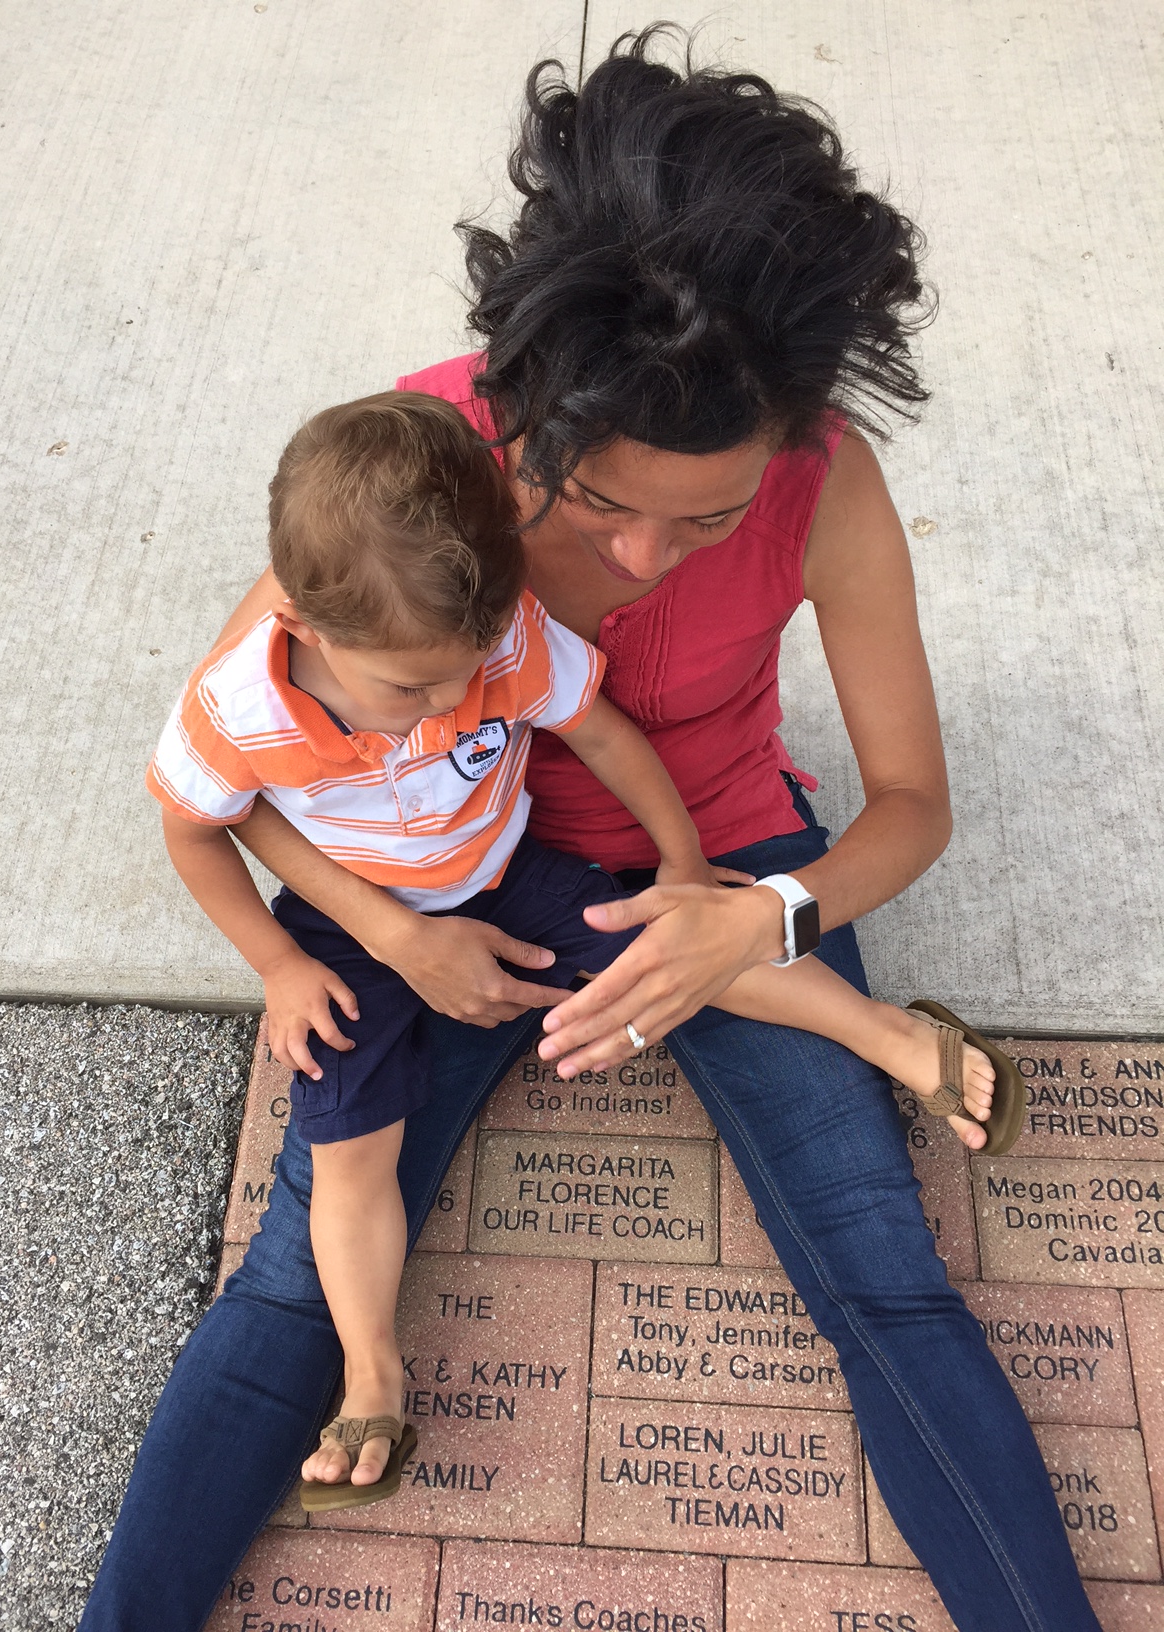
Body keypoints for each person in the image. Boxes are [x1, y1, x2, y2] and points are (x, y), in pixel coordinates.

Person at [83, 28, 1101, 1632]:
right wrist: (388, 929)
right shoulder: (418, 474)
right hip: (457, 883)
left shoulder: (827, 482)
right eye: (597, 501)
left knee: (886, 1279)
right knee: (295, 1279)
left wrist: (759, 915)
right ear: (524, 408)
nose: (638, 560)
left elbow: (913, 805)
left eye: (708, 516)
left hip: (727, 862)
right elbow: (247, 752)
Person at [149, 390, 1010, 1505]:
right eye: (410, 687)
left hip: (508, 866)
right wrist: (280, 964)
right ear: (308, 630)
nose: (450, 704)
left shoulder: (492, 628)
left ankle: (886, 1033)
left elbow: (599, 731)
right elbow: (195, 828)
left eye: (465, 674)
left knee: (665, 946)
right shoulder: (236, 706)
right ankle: (372, 1369)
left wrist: (682, 865)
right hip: (346, 926)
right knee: (351, 1150)